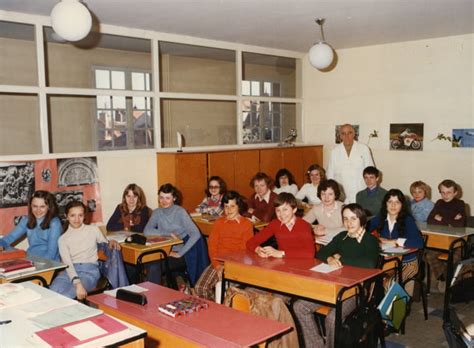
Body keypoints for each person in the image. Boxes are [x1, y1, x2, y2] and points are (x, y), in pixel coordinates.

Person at [293, 204, 380, 348]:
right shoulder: (342, 237)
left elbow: (370, 263)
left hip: (356, 290)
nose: (349, 223)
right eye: (345, 219)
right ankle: (316, 345)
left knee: (333, 317)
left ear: (362, 220)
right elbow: (321, 253)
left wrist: (341, 259)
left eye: (353, 218)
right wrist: (330, 259)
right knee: (300, 306)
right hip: (335, 285)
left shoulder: (370, 240)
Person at [50, 201, 121, 299]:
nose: (77, 219)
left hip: (89, 271)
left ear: (84, 216)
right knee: (51, 295)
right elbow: (68, 264)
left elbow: (105, 245)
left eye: (80, 215)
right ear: (66, 216)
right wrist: (77, 282)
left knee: (67, 296)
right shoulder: (63, 239)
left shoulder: (93, 230)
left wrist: (111, 241)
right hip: (69, 272)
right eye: (72, 215)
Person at [144, 183, 209, 286]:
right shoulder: (157, 212)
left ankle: (153, 295)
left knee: (153, 266)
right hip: (162, 250)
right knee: (147, 262)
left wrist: (180, 253)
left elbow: (195, 234)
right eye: (161, 197)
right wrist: (168, 234)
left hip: (179, 253)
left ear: (174, 198)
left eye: (167, 198)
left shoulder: (180, 212)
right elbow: (147, 231)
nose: (163, 201)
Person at [194, 191, 253, 300]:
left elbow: (245, 250)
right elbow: (212, 246)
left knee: (224, 292)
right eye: (226, 206)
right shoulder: (219, 222)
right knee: (200, 288)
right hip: (218, 261)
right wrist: (217, 266)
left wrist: (228, 267)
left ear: (238, 207)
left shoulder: (246, 224)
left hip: (234, 264)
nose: (229, 210)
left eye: (232, 206)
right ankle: (215, 309)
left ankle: (221, 308)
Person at [368, 189, 424, 282]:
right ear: (385, 204)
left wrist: (395, 241)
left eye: (397, 202)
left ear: (402, 205)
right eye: (390, 202)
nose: (393, 205)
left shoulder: (407, 220)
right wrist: (375, 239)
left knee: (390, 283)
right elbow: (363, 230)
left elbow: (419, 242)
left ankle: (400, 296)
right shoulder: (380, 218)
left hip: (407, 263)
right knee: (371, 282)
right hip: (387, 263)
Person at [246, 193, 315, 259]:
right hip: (283, 263)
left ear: (294, 210)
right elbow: (250, 242)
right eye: (278, 210)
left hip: (303, 264)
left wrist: (281, 253)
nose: (281, 214)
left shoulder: (304, 225)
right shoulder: (275, 224)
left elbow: (310, 253)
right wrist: (258, 250)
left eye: (285, 209)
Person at [426, 179, 466, 292]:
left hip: (457, 242)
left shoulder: (460, 204)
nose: (445, 195)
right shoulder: (439, 203)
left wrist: (440, 218)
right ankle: (443, 278)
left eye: (449, 192)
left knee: (454, 257)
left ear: (455, 192)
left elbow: (459, 224)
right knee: (429, 255)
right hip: (441, 241)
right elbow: (430, 220)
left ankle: (449, 281)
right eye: (443, 192)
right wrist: (450, 220)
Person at [0, 190, 61, 261]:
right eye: (35, 206)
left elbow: (51, 254)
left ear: (49, 207)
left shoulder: (55, 223)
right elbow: (9, 238)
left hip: (49, 262)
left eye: (42, 207)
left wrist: (32, 264)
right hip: (31, 258)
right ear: (30, 206)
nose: (38, 210)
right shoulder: (26, 220)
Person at [327, 124, 374, 204]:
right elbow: (330, 174)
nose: (346, 136)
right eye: (343, 133)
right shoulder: (335, 152)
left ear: (354, 134)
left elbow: (371, 171)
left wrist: (371, 190)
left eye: (349, 133)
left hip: (360, 190)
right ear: (340, 136)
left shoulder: (364, 149)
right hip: (342, 193)